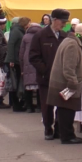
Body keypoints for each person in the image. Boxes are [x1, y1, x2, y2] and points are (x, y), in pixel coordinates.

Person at [47, 23, 82, 145]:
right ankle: (67, 136)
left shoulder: (69, 41)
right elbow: (68, 68)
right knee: (67, 110)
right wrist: (73, 83)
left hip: (61, 81)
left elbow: (72, 63)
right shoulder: (73, 45)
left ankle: (61, 132)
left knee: (62, 110)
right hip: (65, 83)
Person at [30, 8, 69, 140]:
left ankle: (58, 128)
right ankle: (48, 128)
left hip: (62, 78)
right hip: (45, 77)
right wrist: (45, 70)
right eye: (62, 22)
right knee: (47, 105)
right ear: (54, 20)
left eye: (65, 22)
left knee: (62, 103)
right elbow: (33, 57)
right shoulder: (40, 36)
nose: (64, 24)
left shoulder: (65, 36)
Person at [5, 16, 30, 111]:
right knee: (14, 83)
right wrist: (11, 60)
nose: (29, 25)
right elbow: (11, 45)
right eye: (28, 23)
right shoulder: (16, 31)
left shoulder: (19, 30)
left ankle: (16, 104)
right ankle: (16, 105)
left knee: (16, 82)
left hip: (16, 59)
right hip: (14, 60)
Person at [19, 23, 42, 113]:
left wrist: (21, 68)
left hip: (27, 61)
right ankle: (39, 107)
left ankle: (29, 107)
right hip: (38, 61)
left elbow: (21, 53)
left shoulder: (25, 37)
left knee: (28, 86)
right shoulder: (41, 36)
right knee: (39, 86)